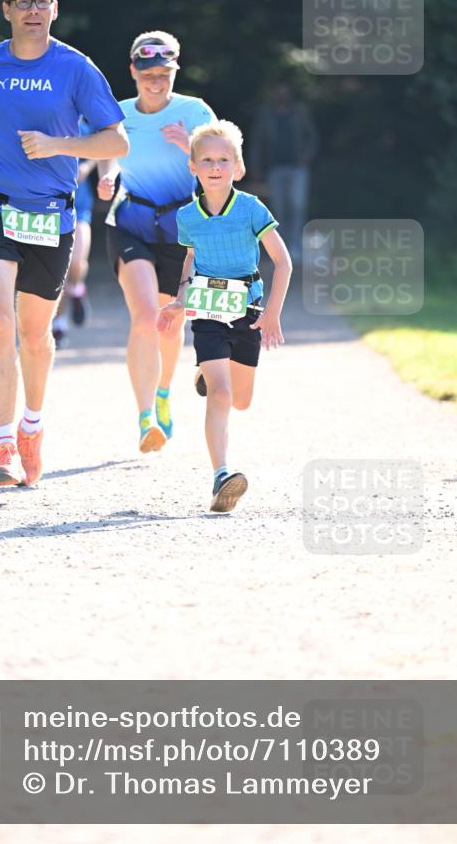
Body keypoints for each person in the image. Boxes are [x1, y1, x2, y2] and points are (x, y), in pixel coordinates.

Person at [0, 0, 128, 487]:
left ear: (55, 8)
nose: (34, 10)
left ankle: (32, 426)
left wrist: (60, 145)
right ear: (6, 10)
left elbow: (116, 141)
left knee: (36, 335)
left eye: (43, 1)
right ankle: (1, 446)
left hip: (50, 213)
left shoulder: (77, 68)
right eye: (24, 2)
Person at [158, 120, 292, 513]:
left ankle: (207, 373)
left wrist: (271, 314)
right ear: (193, 167)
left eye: (223, 159)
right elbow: (190, 258)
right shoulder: (188, 216)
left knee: (242, 400)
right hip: (207, 310)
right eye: (206, 160)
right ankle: (221, 476)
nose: (215, 166)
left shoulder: (251, 208)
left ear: (237, 165)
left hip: (248, 311)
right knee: (221, 393)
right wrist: (180, 300)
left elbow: (282, 263)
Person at [97, 31, 216, 453]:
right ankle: (146, 415)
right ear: (133, 71)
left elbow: (224, 169)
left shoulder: (195, 110)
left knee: (170, 319)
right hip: (131, 221)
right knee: (146, 314)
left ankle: (164, 391)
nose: (155, 81)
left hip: (181, 230)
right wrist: (108, 175)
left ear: (174, 71)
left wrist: (191, 148)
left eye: (164, 74)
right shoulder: (119, 112)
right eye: (148, 73)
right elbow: (106, 148)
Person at [249, 81, 316, 263]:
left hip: (297, 167)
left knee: (297, 206)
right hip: (275, 167)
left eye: (285, 93)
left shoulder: (299, 112)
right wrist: (255, 166)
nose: (282, 96)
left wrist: (305, 158)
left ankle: (295, 245)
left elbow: (311, 137)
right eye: (279, 93)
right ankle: (282, 246)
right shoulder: (266, 114)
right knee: (278, 208)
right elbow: (258, 142)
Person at [52, 158, 96, 347]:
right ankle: (59, 326)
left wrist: (87, 166)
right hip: (50, 210)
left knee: (77, 263)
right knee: (56, 273)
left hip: (80, 209)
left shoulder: (86, 128)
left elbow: (109, 147)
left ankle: (77, 289)